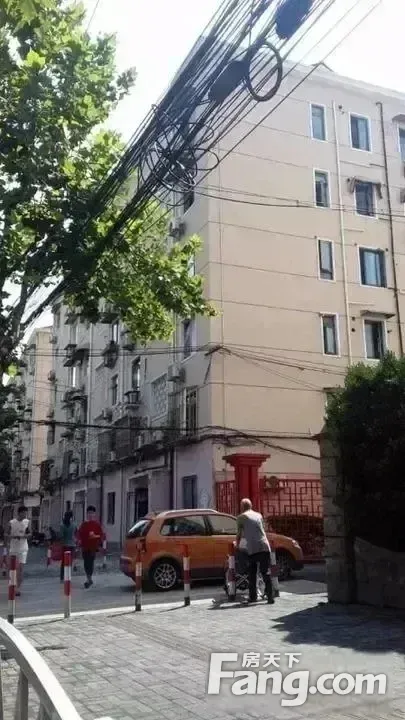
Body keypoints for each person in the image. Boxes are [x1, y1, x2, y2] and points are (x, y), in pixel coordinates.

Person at [236, 498, 274, 604]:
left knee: (252, 572)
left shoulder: (241, 517)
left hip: (252, 547)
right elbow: (261, 529)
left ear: (242, 507)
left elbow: (239, 534)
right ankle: (270, 597)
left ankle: (253, 597)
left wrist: (237, 545)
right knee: (266, 572)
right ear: (251, 506)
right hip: (264, 545)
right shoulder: (259, 515)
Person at [77, 506, 104, 588]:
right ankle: (89, 578)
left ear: (94, 514)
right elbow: (79, 534)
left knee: (90, 562)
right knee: (86, 563)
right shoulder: (84, 524)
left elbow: (101, 535)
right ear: (87, 514)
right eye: (89, 513)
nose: (90, 515)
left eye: (92, 513)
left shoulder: (97, 525)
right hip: (84, 546)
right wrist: (79, 540)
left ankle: (89, 579)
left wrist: (96, 536)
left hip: (93, 547)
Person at [8, 506, 30, 596]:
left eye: (26, 513)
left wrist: (24, 536)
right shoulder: (12, 523)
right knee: (14, 568)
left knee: (20, 569)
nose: (25, 515)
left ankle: (17, 588)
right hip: (14, 548)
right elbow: (6, 534)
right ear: (19, 513)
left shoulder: (27, 522)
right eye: (24, 513)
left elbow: (29, 533)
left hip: (23, 548)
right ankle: (12, 585)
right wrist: (13, 537)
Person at [59, 511, 77, 582]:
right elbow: (76, 533)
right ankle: (68, 576)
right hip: (72, 545)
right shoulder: (74, 524)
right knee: (70, 562)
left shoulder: (62, 525)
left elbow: (61, 536)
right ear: (71, 517)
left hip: (65, 545)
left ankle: (62, 577)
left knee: (64, 562)